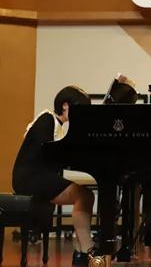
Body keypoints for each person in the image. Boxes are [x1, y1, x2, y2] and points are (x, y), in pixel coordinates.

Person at [12, 86, 95, 266]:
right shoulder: (47, 119)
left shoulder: (57, 125)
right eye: (80, 108)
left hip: (40, 176)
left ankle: (82, 251)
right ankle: (86, 250)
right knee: (83, 196)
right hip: (29, 178)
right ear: (65, 106)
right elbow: (46, 151)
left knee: (87, 196)